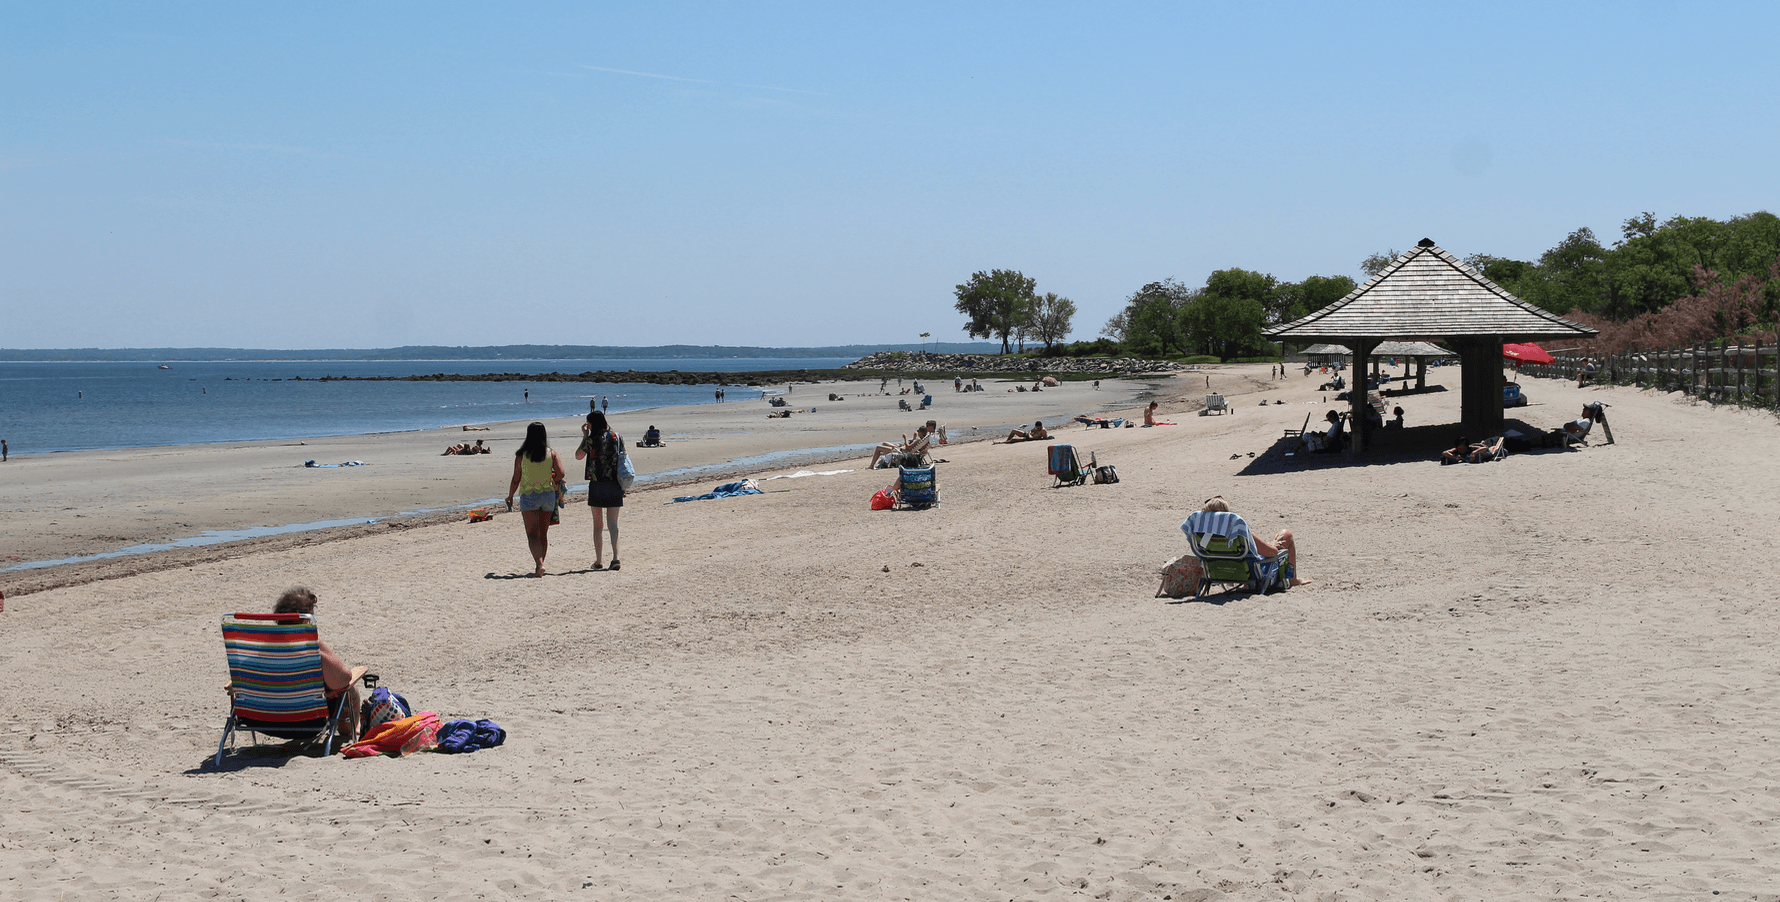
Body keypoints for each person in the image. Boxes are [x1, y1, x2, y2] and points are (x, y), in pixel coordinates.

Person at [271, 587, 365, 742]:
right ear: (304, 620)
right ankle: (352, 732)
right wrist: (316, 645)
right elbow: (343, 679)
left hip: (264, 720)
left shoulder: (260, 648)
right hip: (309, 721)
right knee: (350, 690)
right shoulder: (310, 646)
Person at [1198, 496, 1305, 587]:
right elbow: (1272, 553)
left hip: (1223, 574)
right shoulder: (1241, 535)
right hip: (1254, 577)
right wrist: (1273, 546)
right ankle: (1293, 580)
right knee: (1286, 534)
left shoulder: (1200, 538)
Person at [505, 422, 565, 577]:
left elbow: (516, 479)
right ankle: (540, 566)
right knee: (543, 534)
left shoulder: (521, 455)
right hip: (548, 495)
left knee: (532, 534)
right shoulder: (551, 453)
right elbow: (561, 473)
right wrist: (552, 478)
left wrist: (510, 495)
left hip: (529, 496)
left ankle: (539, 565)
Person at [576, 411, 625, 571]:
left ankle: (598, 560)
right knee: (613, 523)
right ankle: (616, 558)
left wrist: (585, 435)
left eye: (588, 423)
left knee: (598, 525)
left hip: (597, 483)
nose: (587, 425)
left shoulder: (591, 439)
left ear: (593, 424)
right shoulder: (616, 436)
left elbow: (578, 456)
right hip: (614, 483)